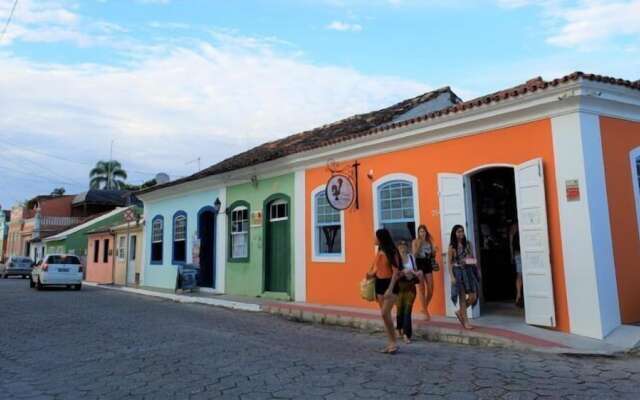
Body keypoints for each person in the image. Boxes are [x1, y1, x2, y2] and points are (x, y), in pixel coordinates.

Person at [366, 228, 402, 354]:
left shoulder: (392, 251)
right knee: (386, 317)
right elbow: (377, 268)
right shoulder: (379, 251)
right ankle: (391, 343)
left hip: (390, 284)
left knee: (384, 313)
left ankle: (394, 343)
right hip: (379, 284)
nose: (374, 239)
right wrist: (369, 275)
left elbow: (396, 271)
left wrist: (390, 288)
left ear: (381, 238)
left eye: (375, 237)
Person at [448, 225, 480, 330]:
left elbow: (473, 259)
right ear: (454, 233)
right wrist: (452, 277)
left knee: (473, 296)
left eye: (462, 231)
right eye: (458, 232)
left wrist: (476, 269)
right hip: (458, 273)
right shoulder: (452, 247)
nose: (461, 233)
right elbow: (449, 263)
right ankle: (466, 322)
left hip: (469, 271)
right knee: (462, 298)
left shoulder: (468, 244)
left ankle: (460, 312)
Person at [395, 241, 418, 344]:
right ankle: (398, 328)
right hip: (399, 287)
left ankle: (406, 334)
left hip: (410, 286)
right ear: (398, 248)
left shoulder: (411, 257)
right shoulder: (396, 259)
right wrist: (403, 272)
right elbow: (394, 273)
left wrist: (413, 274)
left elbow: (416, 270)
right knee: (400, 309)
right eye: (401, 246)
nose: (403, 248)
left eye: (404, 246)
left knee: (407, 311)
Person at [412, 224, 436, 320]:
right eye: (421, 231)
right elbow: (414, 254)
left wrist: (434, 252)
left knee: (431, 288)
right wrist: (420, 244)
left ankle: (423, 307)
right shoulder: (415, 241)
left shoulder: (429, 242)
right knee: (422, 289)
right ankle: (425, 312)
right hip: (419, 264)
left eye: (424, 231)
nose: (423, 233)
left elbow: (431, 255)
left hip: (427, 263)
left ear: (426, 232)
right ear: (418, 233)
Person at [509, 220, 523, 308]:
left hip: (517, 253)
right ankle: (519, 296)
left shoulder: (513, 228)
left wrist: (512, 255)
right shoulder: (520, 225)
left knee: (519, 275)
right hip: (523, 253)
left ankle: (518, 295)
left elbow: (510, 243)